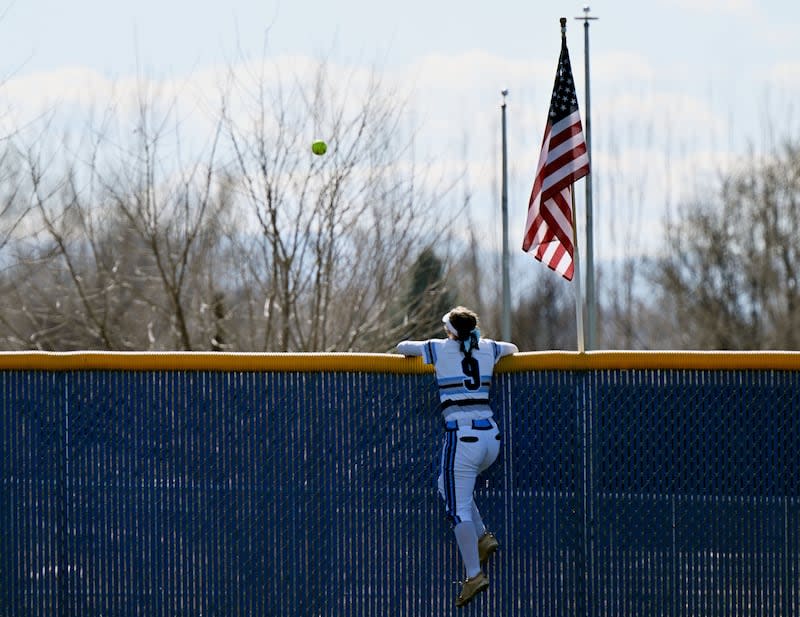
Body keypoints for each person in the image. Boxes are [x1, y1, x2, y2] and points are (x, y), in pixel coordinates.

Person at [397, 306, 518, 608]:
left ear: (450, 331)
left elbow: (402, 347)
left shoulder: (440, 349)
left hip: (463, 438)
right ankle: (482, 538)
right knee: (446, 486)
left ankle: (474, 574)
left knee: (456, 508)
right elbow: (513, 348)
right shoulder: (489, 347)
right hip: (491, 437)